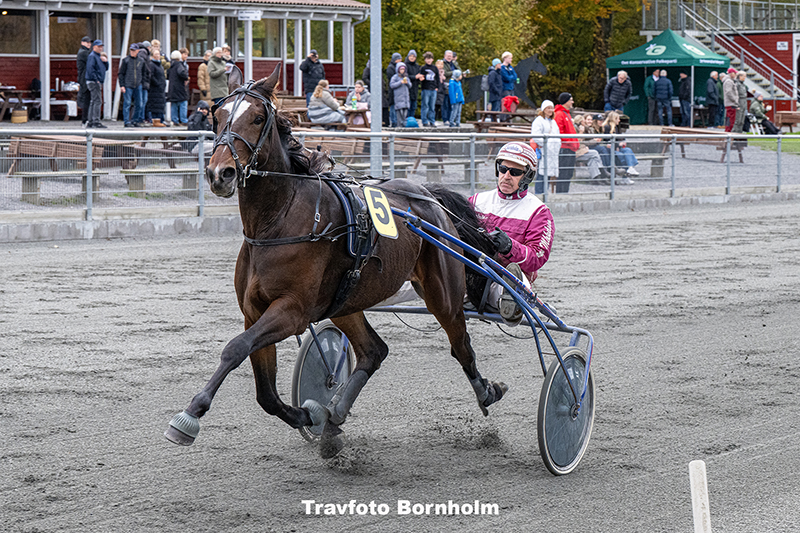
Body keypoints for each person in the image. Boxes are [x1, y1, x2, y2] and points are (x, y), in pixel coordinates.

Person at [469, 142, 555, 324]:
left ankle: (512, 299)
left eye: (514, 172)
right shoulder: (477, 201)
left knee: (510, 281)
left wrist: (509, 247)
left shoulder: (539, 212)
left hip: (503, 277)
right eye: (503, 169)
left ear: (527, 176)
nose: (506, 176)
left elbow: (537, 258)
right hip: (471, 272)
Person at [529, 100, 560, 194]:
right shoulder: (539, 120)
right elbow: (536, 135)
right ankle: (539, 193)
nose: (551, 110)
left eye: (552, 108)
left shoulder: (553, 122)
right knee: (542, 173)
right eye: (548, 108)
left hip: (553, 151)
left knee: (549, 173)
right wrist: (545, 144)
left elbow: (557, 134)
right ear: (544, 109)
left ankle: (545, 193)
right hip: (545, 150)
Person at [574, 114, 612, 184]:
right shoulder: (578, 129)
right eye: (584, 121)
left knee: (593, 159)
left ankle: (596, 178)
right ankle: (603, 172)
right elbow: (578, 142)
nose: (586, 123)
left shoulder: (588, 128)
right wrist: (581, 133)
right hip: (577, 152)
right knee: (595, 152)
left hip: (583, 149)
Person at [602, 111, 639, 183]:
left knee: (628, 150)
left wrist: (622, 142)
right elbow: (608, 141)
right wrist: (618, 145)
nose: (619, 120)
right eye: (618, 119)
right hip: (611, 149)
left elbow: (620, 138)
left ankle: (630, 168)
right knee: (623, 156)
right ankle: (625, 176)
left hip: (617, 147)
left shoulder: (616, 127)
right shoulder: (607, 127)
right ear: (614, 119)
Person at [118, 43, 148, 127]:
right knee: (127, 103)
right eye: (131, 50)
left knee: (139, 103)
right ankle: (127, 121)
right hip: (128, 85)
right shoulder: (126, 60)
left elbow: (144, 73)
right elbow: (121, 74)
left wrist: (142, 83)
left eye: (134, 50)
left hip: (138, 85)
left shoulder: (141, 61)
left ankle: (135, 120)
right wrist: (122, 85)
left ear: (138, 51)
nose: (132, 52)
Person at [553, 92, 578, 194]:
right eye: (571, 100)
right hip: (565, 148)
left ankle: (565, 193)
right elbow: (560, 132)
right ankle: (561, 193)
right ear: (566, 101)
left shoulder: (565, 113)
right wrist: (570, 141)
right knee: (563, 173)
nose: (572, 102)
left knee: (568, 173)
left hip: (570, 148)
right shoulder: (560, 114)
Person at [85, 40, 108, 128]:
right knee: (98, 101)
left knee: (93, 101)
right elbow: (91, 69)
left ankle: (91, 121)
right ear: (94, 47)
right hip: (93, 81)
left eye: (101, 46)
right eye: (99, 46)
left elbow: (105, 68)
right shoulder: (92, 56)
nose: (101, 48)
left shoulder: (99, 57)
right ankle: (95, 121)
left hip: (95, 80)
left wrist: (105, 61)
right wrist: (96, 80)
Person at [167, 50, 189, 125]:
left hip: (172, 88)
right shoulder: (179, 65)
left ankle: (174, 120)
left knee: (174, 104)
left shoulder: (170, 65)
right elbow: (182, 73)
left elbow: (167, 75)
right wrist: (186, 77)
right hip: (180, 87)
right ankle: (184, 120)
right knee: (183, 103)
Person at [146, 49, 167, 126]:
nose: (158, 56)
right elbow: (151, 76)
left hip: (161, 89)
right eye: (156, 54)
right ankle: (155, 120)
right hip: (154, 89)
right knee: (155, 106)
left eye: (158, 54)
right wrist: (157, 83)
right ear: (152, 56)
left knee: (161, 105)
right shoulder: (152, 64)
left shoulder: (160, 65)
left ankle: (161, 119)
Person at [418, 52, 439, 127]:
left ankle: (432, 121)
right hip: (426, 89)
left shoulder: (435, 68)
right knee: (425, 105)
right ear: (425, 60)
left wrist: (437, 87)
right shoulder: (423, 68)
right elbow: (421, 78)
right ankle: (424, 121)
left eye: (430, 59)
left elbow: (437, 78)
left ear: (432, 60)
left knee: (432, 106)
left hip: (433, 89)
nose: (428, 60)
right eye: (427, 59)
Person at [76, 36, 92, 127]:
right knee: (87, 101)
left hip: (83, 78)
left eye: (90, 42)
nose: (89, 44)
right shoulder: (84, 53)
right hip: (84, 79)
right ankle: (85, 121)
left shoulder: (84, 52)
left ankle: (86, 120)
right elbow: (92, 60)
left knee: (87, 100)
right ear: (82, 43)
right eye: (87, 42)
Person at [440, 50, 458, 128]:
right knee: (445, 104)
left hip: (453, 87)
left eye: (451, 55)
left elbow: (459, 71)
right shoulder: (443, 63)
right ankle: (445, 119)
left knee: (452, 104)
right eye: (448, 55)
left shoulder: (454, 64)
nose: (449, 56)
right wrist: (454, 72)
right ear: (445, 56)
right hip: (445, 86)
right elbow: (445, 73)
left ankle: (451, 120)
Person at [385, 52, 402, 127]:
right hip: (392, 89)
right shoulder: (390, 68)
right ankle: (394, 121)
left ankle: (398, 121)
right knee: (392, 105)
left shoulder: (399, 67)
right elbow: (391, 78)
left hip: (399, 90)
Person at [137, 41, 152, 124]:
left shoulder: (141, 52)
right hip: (143, 81)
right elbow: (144, 68)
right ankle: (140, 118)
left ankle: (141, 117)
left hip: (142, 80)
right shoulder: (144, 52)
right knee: (143, 100)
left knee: (142, 101)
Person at [405, 50, 420, 119]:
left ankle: (412, 119)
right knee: (408, 106)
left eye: (413, 56)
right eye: (410, 56)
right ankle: (406, 120)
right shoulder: (405, 66)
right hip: (407, 89)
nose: (412, 57)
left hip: (415, 88)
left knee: (413, 106)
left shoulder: (417, 66)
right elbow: (405, 76)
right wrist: (415, 77)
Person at [723, 68, 738, 132]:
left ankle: (727, 130)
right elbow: (728, 92)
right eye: (735, 73)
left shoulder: (727, 81)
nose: (735, 75)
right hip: (731, 103)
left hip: (729, 103)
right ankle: (728, 131)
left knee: (729, 118)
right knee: (731, 119)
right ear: (731, 74)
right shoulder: (729, 81)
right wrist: (735, 100)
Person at [435, 59, 447, 124]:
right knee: (435, 106)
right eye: (439, 64)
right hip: (436, 90)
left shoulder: (443, 73)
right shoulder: (435, 72)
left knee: (440, 105)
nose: (440, 66)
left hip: (441, 90)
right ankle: (433, 119)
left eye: (442, 64)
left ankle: (439, 119)